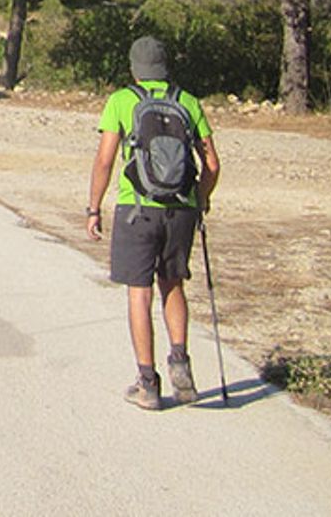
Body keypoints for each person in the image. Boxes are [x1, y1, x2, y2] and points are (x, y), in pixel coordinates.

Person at [86, 36, 221, 410]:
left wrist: (93, 208)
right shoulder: (188, 102)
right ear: (165, 66)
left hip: (137, 209)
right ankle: (180, 361)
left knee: (139, 292)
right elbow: (211, 164)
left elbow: (104, 161)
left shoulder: (121, 101)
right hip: (181, 209)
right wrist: (201, 200)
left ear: (134, 67)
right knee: (173, 283)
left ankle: (147, 383)